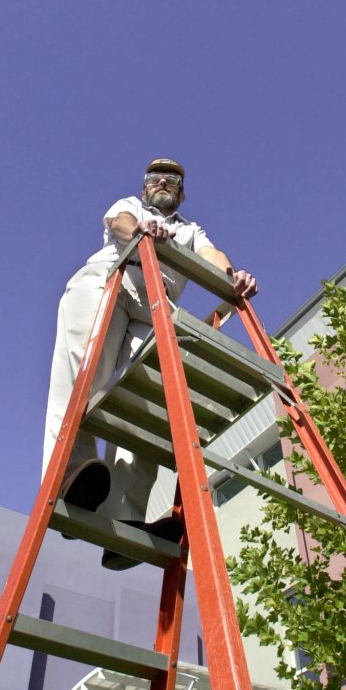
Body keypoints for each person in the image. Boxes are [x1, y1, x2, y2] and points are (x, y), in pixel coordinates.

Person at [42, 157, 257, 568]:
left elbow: (212, 254)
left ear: (181, 192)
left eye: (172, 179)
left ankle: (124, 516)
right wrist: (140, 230)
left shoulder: (189, 229)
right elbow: (119, 221)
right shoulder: (133, 206)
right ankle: (70, 476)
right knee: (85, 369)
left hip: (154, 306)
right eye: (155, 178)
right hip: (113, 279)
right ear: (144, 189)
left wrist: (233, 277)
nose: (163, 182)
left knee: (145, 403)